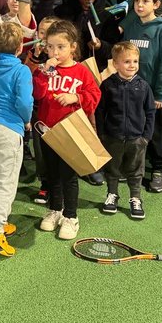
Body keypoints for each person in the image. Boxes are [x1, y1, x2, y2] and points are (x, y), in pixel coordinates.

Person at [32, 20, 101, 240]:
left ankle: (71, 216)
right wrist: (44, 73)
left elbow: (95, 96)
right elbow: (37, 94)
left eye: (61, 47)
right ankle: (55, 209)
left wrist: (76, 97)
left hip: (71, 132)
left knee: (68, 176)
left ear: (73, 47)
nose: (55, 52)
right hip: (47, 131)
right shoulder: (45, 70)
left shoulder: (81, 71)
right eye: (50, 47)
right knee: (52, 173)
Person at [0, 21, 33, 257]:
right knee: (6, 182)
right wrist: (27, 119)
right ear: (20, 47)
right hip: (8, 128)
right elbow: (24, 102)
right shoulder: (22, 71)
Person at [120, 0, 162, 193]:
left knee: (154, 131)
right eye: (137, 1)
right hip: (130, 90)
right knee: (132, 129)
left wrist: (160, 94)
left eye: (145, 1)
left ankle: (157, 170)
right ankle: (133, 166)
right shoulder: (131, 27)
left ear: (156, 4)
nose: (140, 5)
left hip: (152, 93)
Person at [98, 41, 155, 219]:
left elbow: (150, 112)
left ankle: (135, 198)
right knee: (112, 168)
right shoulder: (107, 85)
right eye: (127, 61)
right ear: (115, 64)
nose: (132, 65)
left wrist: (146, 137)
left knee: (136, 170)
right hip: (112, 137)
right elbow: (100, 111)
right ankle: (112, 195)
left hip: (136, 139)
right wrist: (102, 134)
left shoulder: (143, 86)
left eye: (135, 61)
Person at [24, 16, 59, 204]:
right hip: (38, 110)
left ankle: (59, 185)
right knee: (41, 150)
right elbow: (24, 76)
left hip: (58, 109)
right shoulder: (32, 55)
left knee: (59, 150)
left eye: (50, 33)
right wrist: (36, 58)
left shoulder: (63, 56)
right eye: (42, 32)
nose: (44, 38)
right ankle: (45, 184)